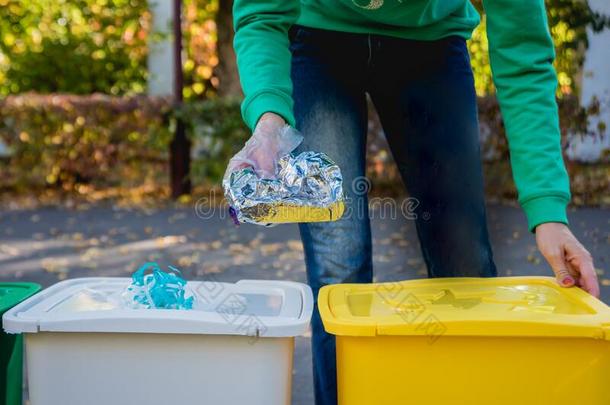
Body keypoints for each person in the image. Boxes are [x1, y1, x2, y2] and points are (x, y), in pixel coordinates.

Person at [225, 1, 600, 404]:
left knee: (464, 266)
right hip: (317, 35)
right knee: (338, 264)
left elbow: (523, 54)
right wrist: (269, 122)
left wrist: (549, 215)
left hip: (431, 40)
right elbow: (262, 13)